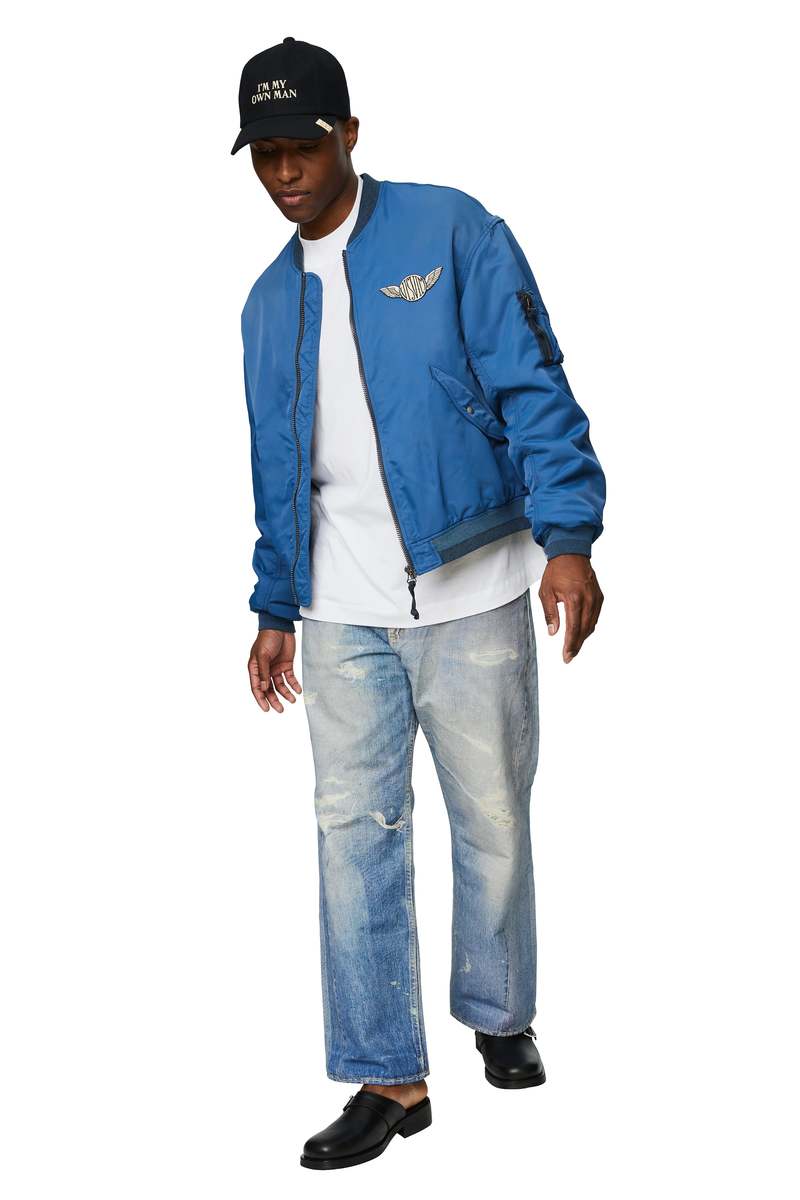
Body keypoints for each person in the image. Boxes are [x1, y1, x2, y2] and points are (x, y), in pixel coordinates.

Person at [231, 36, 606, 1171]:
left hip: (473, 581)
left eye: (302, 147)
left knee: (491, 815)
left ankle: (498, 1010)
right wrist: (274, 606)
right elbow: (276, 468)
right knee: (353, 837)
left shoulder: (451, 231)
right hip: (339, 610)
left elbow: (531, 381)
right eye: (264, 154)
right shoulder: (264, 305)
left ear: (349, 135)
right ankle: (388, 1077)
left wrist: (568, 538)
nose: (285, 172)